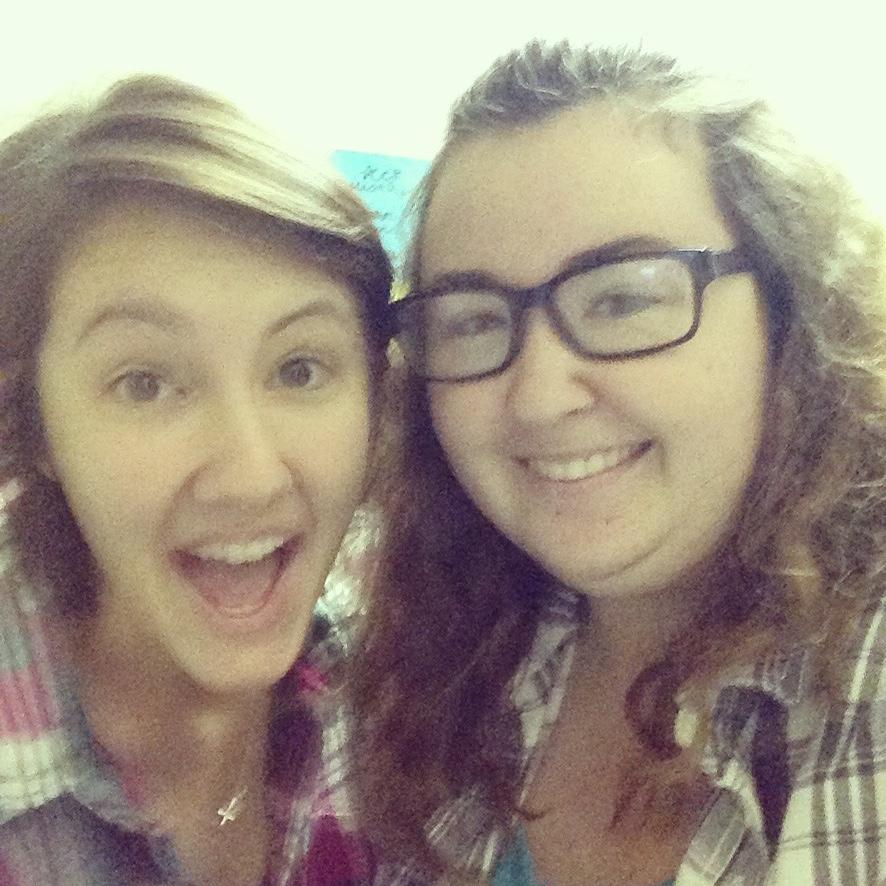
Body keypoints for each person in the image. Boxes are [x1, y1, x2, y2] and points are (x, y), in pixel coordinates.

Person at [350, 41, 886, 885]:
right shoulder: (438, 664)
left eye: (625, 298)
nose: (539, 398)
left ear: (791, 314)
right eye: (475, 319)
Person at [0, 75, 391, 885]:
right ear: (34, 423)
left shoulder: (401, 679)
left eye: (299, 368)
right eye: (145, 383)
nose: (250, 478)